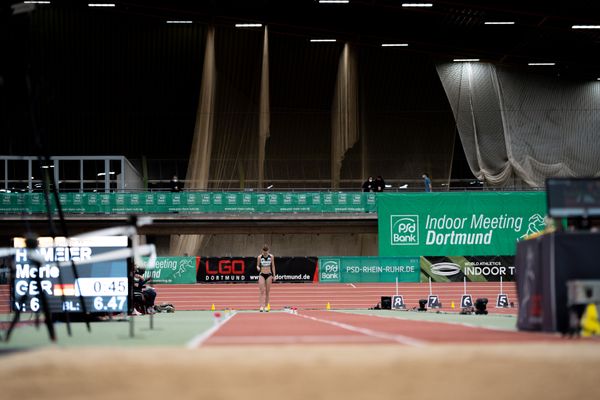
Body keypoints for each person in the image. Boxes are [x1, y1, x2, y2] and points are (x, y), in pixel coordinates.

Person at [256, 244, 276, 312]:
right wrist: (258, 268)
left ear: (268, 251)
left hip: (269, 275)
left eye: (266, 252)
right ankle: (261, 306)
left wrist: (274, 275)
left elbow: (273, 266)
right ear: (262, 251)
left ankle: (266, 306)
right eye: (264, 252)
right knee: (262, 291)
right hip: (262, 274)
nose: (265, 253)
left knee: (267, 291)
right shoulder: (259, 257)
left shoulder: (271, 256)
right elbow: (257, 265)